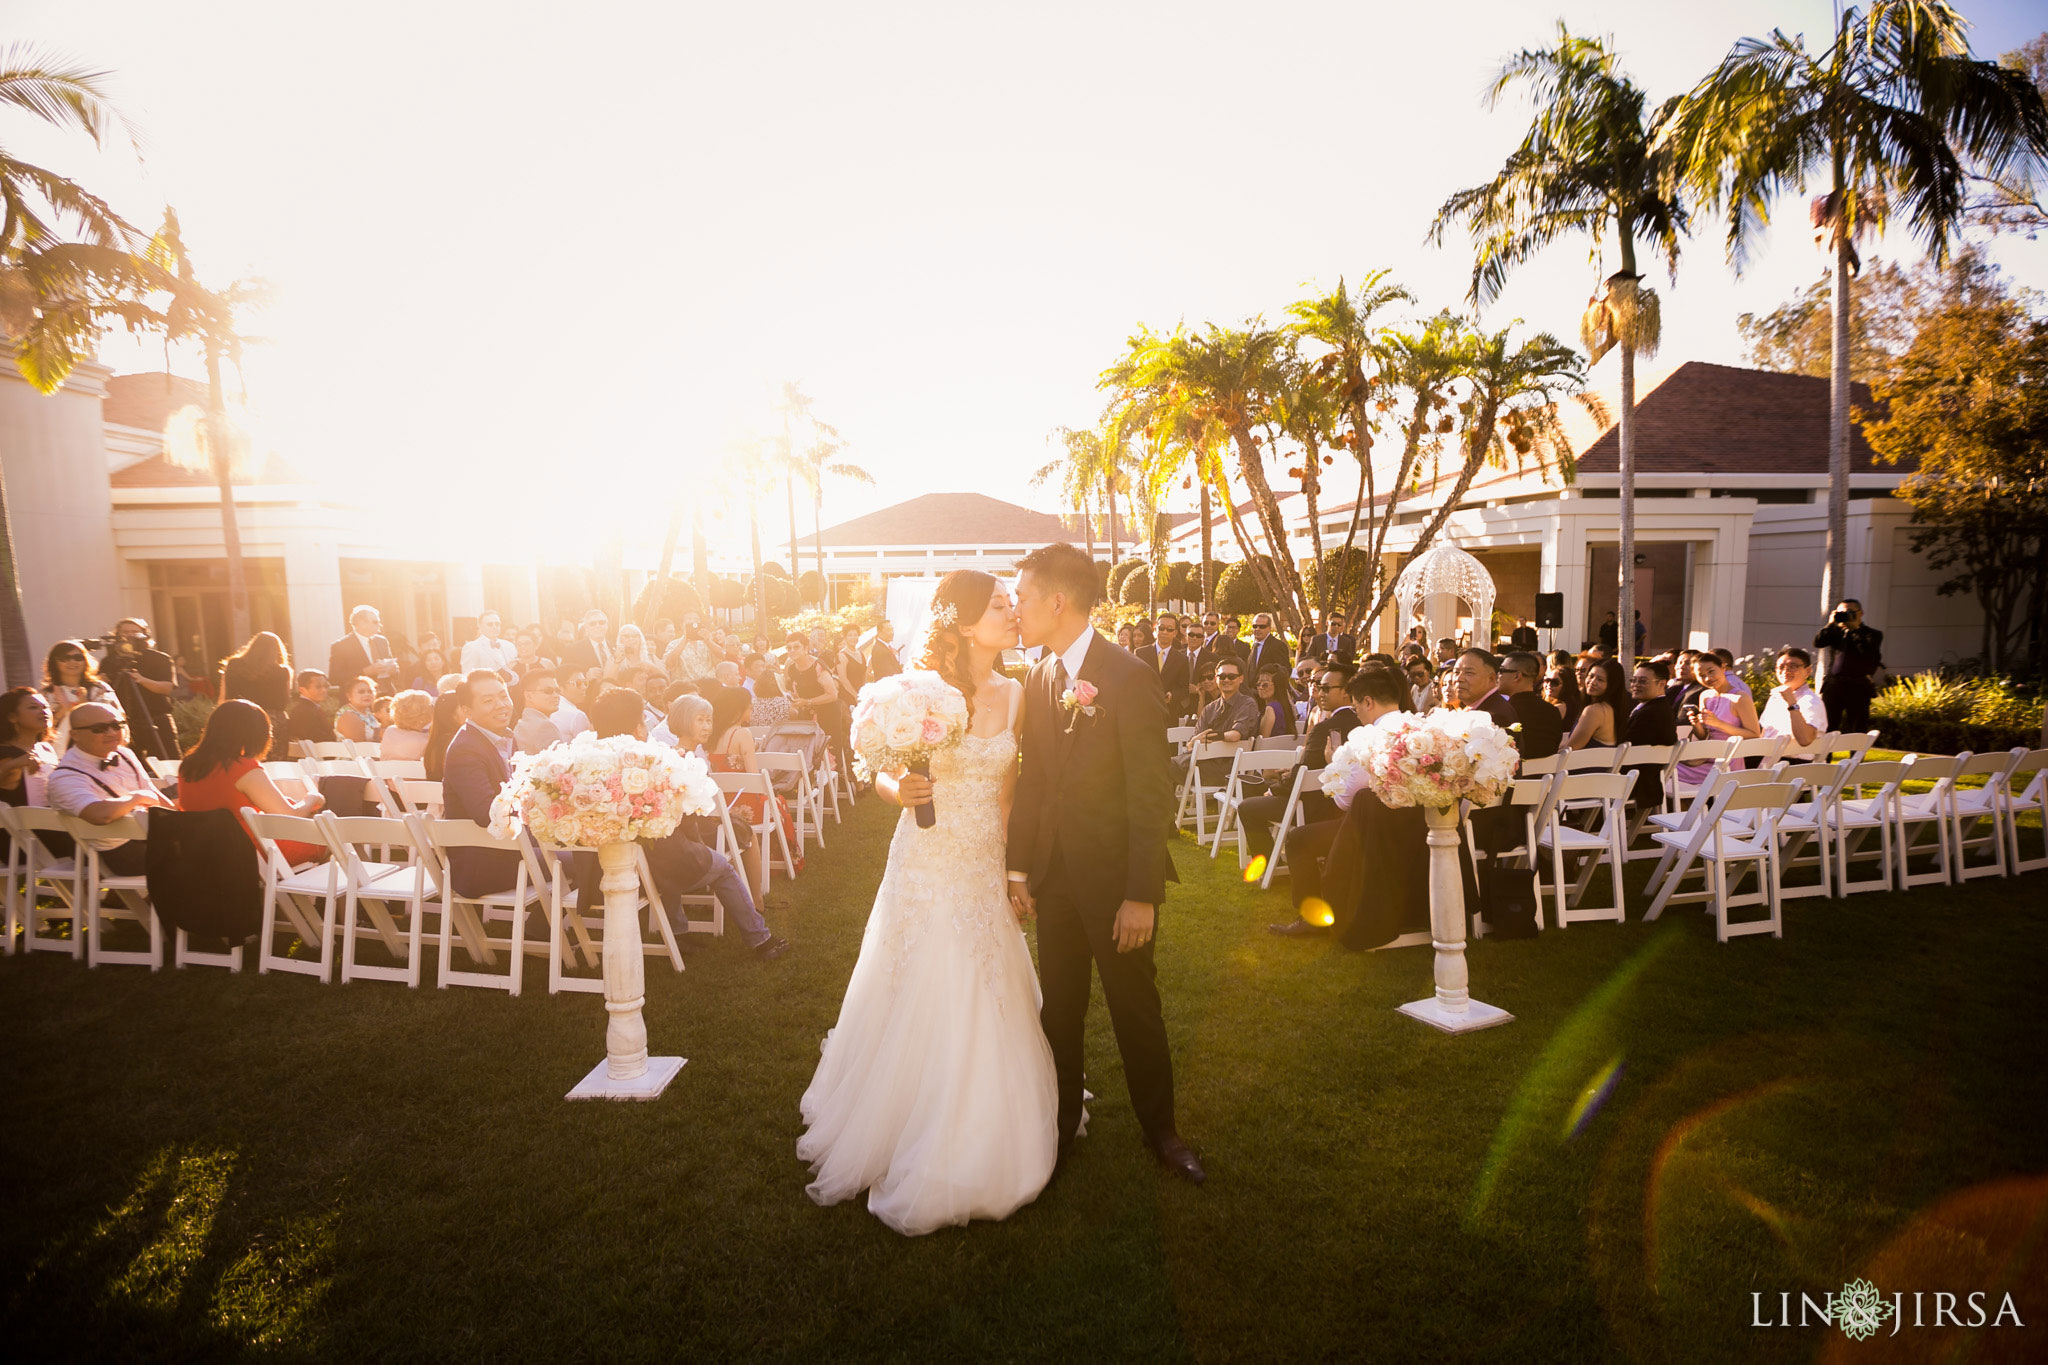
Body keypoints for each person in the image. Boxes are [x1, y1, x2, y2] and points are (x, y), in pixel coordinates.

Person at [799, 569, 1048, 1233]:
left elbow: (1009, 789)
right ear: (964, 623)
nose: (1011, 611)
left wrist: (1010, 868)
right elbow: (883, 767)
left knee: (984, 975)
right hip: (924, 857)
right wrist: (894, 789)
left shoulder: (1020, 692)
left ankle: (986, 1116)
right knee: (920, 972)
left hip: (981, 858)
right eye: (999, 605)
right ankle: (904, 1116)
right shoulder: (919, 693)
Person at [1006, 543, 1200, 1184]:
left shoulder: (1126, 673)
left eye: (1024, 597)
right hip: (1055, 879)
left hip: (1117, 884)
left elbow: (1151, 790)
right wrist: (1021, 870)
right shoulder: (1038, 676)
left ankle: (1163, 1133)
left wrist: (1140, 893)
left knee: (1133, 1010)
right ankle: (1060, 1130)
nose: (1017, 607)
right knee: (1059, 1010)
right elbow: (1036, 780)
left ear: (1057, 602)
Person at [585, 686, 788, 963]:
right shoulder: (649, 763)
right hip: (659, 858)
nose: (645, 726)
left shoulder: (591, 764)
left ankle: (678, 933)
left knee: (672, 858)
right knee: (721, 868)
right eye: (643, 721)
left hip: (604, 868)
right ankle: (761, 939)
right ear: (636, 728)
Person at [1269, 663, 1422, 943]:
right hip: (1419, 829)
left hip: (1376, 831)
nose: (1357, 714)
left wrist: (1332, 764)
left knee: (1299, 839)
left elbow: (1346, 800)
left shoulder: (1371, 736)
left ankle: (1312, 918)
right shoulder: (1417, 725)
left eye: (1356, 707)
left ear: (1368, 701)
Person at [176, 699, 327, 864]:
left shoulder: (188, 766)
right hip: (253, 853)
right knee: (333, 840)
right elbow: (289, 815)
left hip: (209, 854)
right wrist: (312, 798)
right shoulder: (243, 768)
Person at [1239, 663, 1360, 868]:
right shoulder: (1363, 724)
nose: (1320, 693)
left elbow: (1305, 775)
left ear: (1346, 691)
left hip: (1314, 806)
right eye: (1319, 687)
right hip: (1347, 806)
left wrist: (1273, 789)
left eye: (1326, 688)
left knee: (1247, 807)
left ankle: (1270, 865)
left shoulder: (1325, 728)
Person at [45, 703, 171, 875]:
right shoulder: (64, 777)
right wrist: (137, 797)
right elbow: (99, 814)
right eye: (99, 728)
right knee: (203, 856)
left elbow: (152, 792)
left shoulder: (125, 754)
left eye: (116, 725)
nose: (111, 732)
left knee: (212, 843)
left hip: (151, 838)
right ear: (75, 735)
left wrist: (179, 820)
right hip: (118, 853)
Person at [705, 683, 800, 899]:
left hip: (721, 805)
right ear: (738, 710)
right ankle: (786, 863)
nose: (751, 711)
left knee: (775, 802)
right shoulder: (741, 734)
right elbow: (753, 776)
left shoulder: (712, 735)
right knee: (779, 804)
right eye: (749, 707)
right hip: (746, 804)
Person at [1674, 652, 1762, 787]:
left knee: (1669, 772)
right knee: (1667, 769)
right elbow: (1704, 736)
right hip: (1704, 757)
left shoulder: (1740, 698)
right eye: (1701, 676)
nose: (1708, 678)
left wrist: (1719, 724)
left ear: (1723, 668)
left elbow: (1754, 734)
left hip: (1727, 761)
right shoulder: (1705, 696)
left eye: (1711, 671)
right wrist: (1696, 724)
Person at [99, 619, 179, 759]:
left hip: (156, 721)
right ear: (117, 635)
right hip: (123, 724)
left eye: (135, 632)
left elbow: (167, 688)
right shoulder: (109, 661)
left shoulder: (160, 658)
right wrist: (100, 681)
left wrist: (142, 680)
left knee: (167, 764)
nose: (130, 635)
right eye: (125, 632)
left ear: (144, 635)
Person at [1183, 657, 1259, 789]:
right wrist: (1196, 740)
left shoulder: (1247, 704)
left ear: (1241, 679)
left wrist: (1209, 737)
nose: (1226, 680)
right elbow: (1191, 743)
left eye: (1231, 676)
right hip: (1204, 764)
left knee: (1165, 768)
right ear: (1217, 679)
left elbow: (1236, 735)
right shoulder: (1209, 708)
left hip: (1232, 770)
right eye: (1222, 676)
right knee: (1164, 766)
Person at [0, 689, 61, 852]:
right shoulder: (5, 753)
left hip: (51, 829)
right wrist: (12, 765)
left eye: (47, 707)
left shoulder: (46, 749)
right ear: (12, 717)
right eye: (33, 707)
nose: (44, 711)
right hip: (19, 841)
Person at [1813, 599, 1884, 735]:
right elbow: (1818, 642)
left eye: (1850, 612)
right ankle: (1823, 757)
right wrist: (1830, 623)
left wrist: (1854, 629)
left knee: (1857, 729)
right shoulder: (1835, 632)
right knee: (1828, 727)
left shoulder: (1872, 634)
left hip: (1858, 686)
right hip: (1833, 685)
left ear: (1861, 613)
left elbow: (1867, 651)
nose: (1845, 615)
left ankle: (1856, 757)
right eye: (1841, 612)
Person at [782, 633, 850, 772]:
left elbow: (833, 695)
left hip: (829, 713)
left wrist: (807, 701)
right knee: (810, 752)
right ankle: (816, 786)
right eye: (789, 648)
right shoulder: (792, 668)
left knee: (831, 751)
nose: (792, 651)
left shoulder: (818, 666)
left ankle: (836, 784)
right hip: (808, 715)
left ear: (806, 647)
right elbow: (799, 690)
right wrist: (795, 699)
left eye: (796, 647)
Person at [42, 640, 121, 751]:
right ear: (54, 662)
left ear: (85, 660)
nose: (72, 662)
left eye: (78, 657)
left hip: (100, 750)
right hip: (60, 755)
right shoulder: (47, 694)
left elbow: (117, 720)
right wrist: (65, 709)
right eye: (65, 658)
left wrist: (84, 705)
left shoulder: (99, 688)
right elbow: (42, 729)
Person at [1622, 658, 1679, 805]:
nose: (1635, 685)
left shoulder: (1652, 713)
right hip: (1645, 781)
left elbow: (1626, 744)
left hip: (1635, 782)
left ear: (1662, 683)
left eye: (1642, 681)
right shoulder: (1657, 707)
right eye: (1633, 680)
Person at [1760, 647, 1828, 757]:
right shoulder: (1775, 697)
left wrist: (1792, 704)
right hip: (1767, 759)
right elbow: (1765, 733)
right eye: (1781, 667)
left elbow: (1805, 740)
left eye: (1793, 666)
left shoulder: (1811, 701)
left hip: (1794, 764)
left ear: (1808, 670)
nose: (1785, 671)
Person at [1497, 651, 1563, 762]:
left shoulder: (1504, 712)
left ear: (1517, 676)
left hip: (1513, 777)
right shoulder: (1553, 711)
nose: (1498, 675)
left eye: (1502, 671)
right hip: (1546, 777)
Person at [328, 605, 401, 695]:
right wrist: (365, 671)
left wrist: (394, 670)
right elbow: (334, 678)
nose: (379, 625)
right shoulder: (341, 646)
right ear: (361, 623)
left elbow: (394, 671)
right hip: (359, 698)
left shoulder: (382, 641)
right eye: (375, 622)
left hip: (385, 696)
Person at [1561, 657, 1627, 754]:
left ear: (1612, 685)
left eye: (1600, 680)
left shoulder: (1594, 710)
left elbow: (1570, 749)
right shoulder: (1611, 708)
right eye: (1590, 676)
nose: (1592, 682)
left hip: (1582, 767)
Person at [220, 631, 293, 718]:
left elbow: (223, 697)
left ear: (253, 647)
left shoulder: (233, 665)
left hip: (238, 716)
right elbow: (285, 701)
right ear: (277, 651)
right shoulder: (282, 672)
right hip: (272, 720)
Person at [1134, 613, 1192, 721]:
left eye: (1169, 629)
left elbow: (1184, 689)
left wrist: (1172, 695)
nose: (1165, 632)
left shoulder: (1182, 659)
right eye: (1161, 628)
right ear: (1155, 629)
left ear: (1175, 633)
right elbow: (1134, 682)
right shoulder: (1140, 653)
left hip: (1168, 714)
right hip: (1143, 712)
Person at [1451, 649, 1517, 731]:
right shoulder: (1478, 707)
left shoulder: (1494, 717)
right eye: (1456, 672)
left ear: (1491, 679)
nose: (1459, 678)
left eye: (1469, 673)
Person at [512, 669, 565, 755]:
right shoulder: (545, 726)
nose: (556, 696)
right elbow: (560, 765)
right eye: (548, 691)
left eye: (557, 691)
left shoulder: (522, 723)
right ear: (528, 696)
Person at [459, 610, 519, 677]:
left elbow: (515, 672)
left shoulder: (510, 646)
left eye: (497, 624)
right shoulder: (472, 647)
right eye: (490, 624)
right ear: (480, 626)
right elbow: (468, 675)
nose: (494, 627)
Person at [283, 670, 334, 748]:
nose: (324, 690)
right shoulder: (304, 712)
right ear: (302, 690)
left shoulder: (311, 708)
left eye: (326, 686)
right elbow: (317, 741)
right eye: (318, 687)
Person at [380, 690, 434, 762]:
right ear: (423, 713)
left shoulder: (390, 731)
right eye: (431, 705)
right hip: (412, 773)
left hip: (385, 772)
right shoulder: (425, 741)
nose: (433, 708)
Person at [332, 676, 383, 746]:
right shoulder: (348, 715)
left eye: (370, 691)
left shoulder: (367, 712)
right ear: (349, 696)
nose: (367, 694)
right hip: (356, 756)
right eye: (361, 692)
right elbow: (360, 748)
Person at [560, 609, 612, 675]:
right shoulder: (572, 650)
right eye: (592, 624)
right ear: (586, 628)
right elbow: (563, 676)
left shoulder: (615, 648)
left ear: (607, 625)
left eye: (601, 622)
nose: (597, 626)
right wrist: (585, 677)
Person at [1244, 612, 1291, 681]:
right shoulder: (1254, 646)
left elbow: (1285, 671)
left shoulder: (1277, 645)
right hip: (1251, 690)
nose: (1257, 629)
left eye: (1262, 627)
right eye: (1255, 626)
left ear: (1269, 628)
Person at [1254, 666, 1297, 739]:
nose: (1260, 687)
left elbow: (1263, 741)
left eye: (1265, 685)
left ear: (1277, 686)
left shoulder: (1270, 709)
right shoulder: (1286, 706)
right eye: (1258, 684)